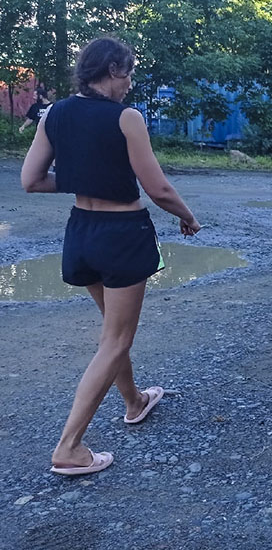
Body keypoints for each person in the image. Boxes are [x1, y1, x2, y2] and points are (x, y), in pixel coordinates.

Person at [20, 36, 201, 476]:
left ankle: (134, 401)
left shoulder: (55, 113)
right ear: (115, 70)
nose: (130, 83)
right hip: (122, 235)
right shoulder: (126, 117)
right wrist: (188, 217)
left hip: (80, 232)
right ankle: (69, 446)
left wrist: (85, 179)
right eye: (130, 73)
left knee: (111, 331)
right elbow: (157, 188)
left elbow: (31, 180)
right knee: (116, 339)